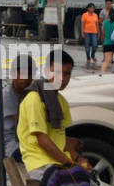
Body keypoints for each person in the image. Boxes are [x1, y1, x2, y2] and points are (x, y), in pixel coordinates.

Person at [17, 50, 88, 178]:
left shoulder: (62, 102)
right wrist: (70, 165)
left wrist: (78, 159)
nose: (62, 78)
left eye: (67, 74)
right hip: (40, 164)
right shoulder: (35, 98)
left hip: (57, 163)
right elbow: (42, 140)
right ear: (46, 71)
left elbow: (60, 140)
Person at [0, 52, 35, 162]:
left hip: (24, 143)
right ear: (13, 74)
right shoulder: (7, 95)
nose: (25, 78)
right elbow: (25, 123)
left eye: (29, 74)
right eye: (21, 73)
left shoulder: (27, 93)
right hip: (11, 147)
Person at [80, 3, 101, 67]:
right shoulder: (84, 15)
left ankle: (92, 55)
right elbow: (82, 25)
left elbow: (97, 25)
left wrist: (98, 33)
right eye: (91, 8)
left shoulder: (95, 15)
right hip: (86, 32)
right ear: (88, 8)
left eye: (93, 8)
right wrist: (82, 33)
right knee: (87, 47)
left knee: (95, 45)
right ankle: (88, 58)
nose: (92, 9)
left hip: (94, 32)